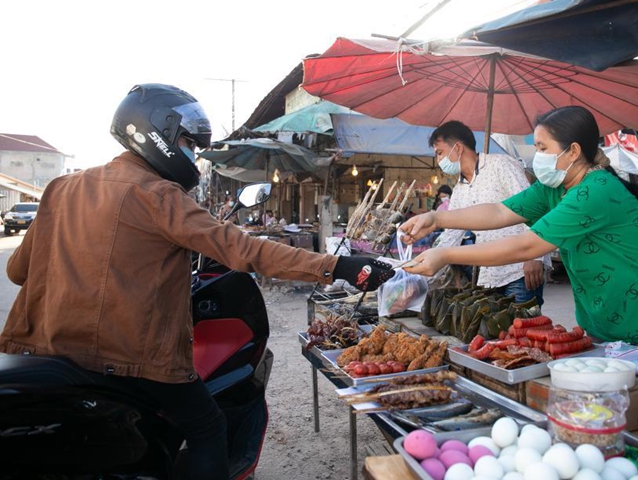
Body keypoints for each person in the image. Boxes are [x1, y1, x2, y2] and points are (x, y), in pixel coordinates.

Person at [0, 84, 394, 479]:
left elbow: (17, 271)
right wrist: (337, 266)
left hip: (46, 351)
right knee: (208, 427)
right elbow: (246, 251)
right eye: (189, 141)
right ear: (159, 134)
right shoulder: (158, 195)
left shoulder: (61, 188)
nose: (192, 151)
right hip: (129, 363)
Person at [400, 106, 638, 344]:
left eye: (543, 148)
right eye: (536, 148)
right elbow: (499, 211)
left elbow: (528, 244)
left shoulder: (596, 190)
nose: (537, 156)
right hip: (600, 322)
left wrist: (446, 255)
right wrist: (436, 219)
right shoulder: (553, 187)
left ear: (573, 152)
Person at [425, 120, 550, 307]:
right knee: (496, 333)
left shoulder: (501, 165)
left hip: (519, 270)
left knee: (523, 330)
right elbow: (452, 235)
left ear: (457, 147)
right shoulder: (459, 190)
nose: (438, 160)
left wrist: (535, 257)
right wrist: (423, 268)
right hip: (489, 275)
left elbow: (532, 208)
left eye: (440, 153)